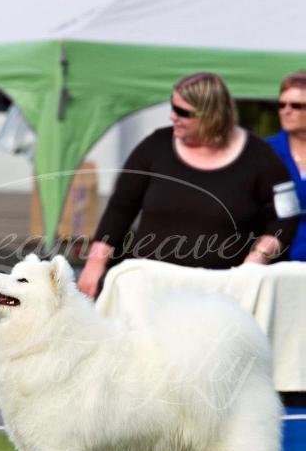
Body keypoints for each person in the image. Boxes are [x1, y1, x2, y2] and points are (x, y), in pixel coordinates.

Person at [78, 72, 299, 299]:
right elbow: (119, 209)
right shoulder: (155, 147)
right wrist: (94, 264)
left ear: (213, 115)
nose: (173, 116)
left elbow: (286, 218)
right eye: (173, 107)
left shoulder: (260, 157)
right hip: (153, 289)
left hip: (224, 294)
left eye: (183, 112)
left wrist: (257, 259)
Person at [267, 70, 306, 261]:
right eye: (281, 104)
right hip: (276, 264)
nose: (286, 110)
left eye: (296, 105)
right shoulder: (263, 152)